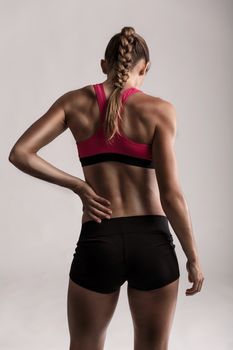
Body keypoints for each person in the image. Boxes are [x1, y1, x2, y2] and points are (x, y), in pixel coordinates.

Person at [9, 26, 204, 350]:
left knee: (85, 344)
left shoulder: (74, 103)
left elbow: (20, 153)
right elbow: (171, 195)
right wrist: (193, 257)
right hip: (152, 243)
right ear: (144, 69)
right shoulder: (160, 110)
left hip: (99, 241)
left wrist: (78, 186)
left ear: (104, 65)